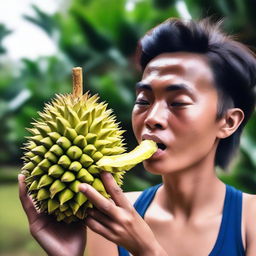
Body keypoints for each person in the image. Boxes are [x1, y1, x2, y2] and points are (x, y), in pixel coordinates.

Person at [18, 18, 256, 256]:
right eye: (143, 100)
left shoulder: (250, 220)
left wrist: (147, 251)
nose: (152, 117)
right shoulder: (112, 215)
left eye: (178, 102)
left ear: (228, 122)